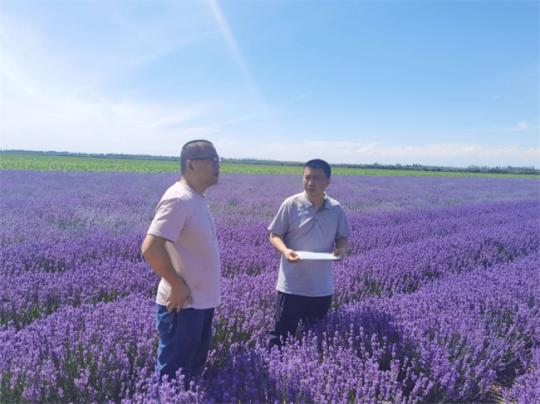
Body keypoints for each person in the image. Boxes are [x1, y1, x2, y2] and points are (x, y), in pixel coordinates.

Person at [141, 139, 221, 384]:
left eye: (218, 159)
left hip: (200, 304)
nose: (217, 165)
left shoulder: (196, 198)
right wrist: (176, 285)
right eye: (211, 159)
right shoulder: (178, 199)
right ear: (191, 164)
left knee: (191, 377)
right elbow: (151, 248)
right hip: (183, 308)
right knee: (172, 379)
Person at [268, 159, 350, 349]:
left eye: (317, 178)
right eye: (307, 177)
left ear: (327, 182)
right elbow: (274, 235)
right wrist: (285, 250)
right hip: (291, 287)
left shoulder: (336, 209)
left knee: (315, 338)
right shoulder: (291, 204)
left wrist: (341, 250)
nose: (310, 183)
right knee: (280, 337)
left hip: (321, 288)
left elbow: (342, 237)